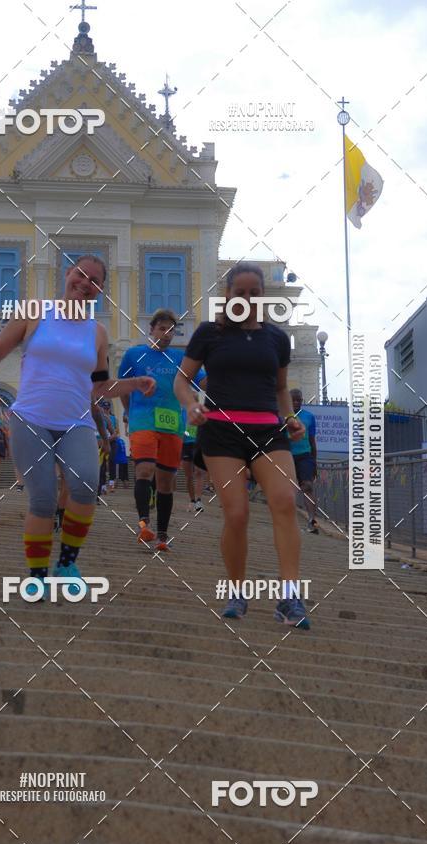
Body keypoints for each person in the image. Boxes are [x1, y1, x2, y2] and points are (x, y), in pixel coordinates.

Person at [0, 255, 155, 600]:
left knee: (85, 486)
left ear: (100, 291)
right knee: (43, 498)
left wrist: (134, 383)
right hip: (30, 419)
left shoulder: (97, 332)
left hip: (76, 422)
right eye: (81, 274)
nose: (85, 283)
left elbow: (98, 387)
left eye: (95, 281)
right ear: (68, 274)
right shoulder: (36, 311)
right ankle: (37, 576)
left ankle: (66, 564)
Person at [174, 262, 310, 628]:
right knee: (236, 513)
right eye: (241, 292)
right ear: (228, 295)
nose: (248, 299)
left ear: (263, 297)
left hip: (268, 430)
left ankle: (290, 598)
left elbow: (281, 388)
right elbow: (182, 381)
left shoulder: (277, 339)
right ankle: (237, 591)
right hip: (221, 431)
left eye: (255, 293)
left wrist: (289, 418)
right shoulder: (209, 333)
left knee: (284, 501)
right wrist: (191, 405)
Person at [118, 309, 205, 552]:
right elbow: (123, 387)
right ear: (151, 329)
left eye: (171, 330)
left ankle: (163, 536)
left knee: (166, 482)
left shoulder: (180, 357)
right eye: (162, 329)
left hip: (172, 425)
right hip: (142, 421)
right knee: (145, 469)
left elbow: (203, 381)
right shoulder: (134, 354)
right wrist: (130, 412)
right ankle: (144, 523)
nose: (167, 335)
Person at [289, 388, 319, 533]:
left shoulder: (309, 417)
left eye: (299, 400)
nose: (296, 402)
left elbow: (312, 441)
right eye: (293, 399)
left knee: (307, 486)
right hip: (286, 456)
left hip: (305, 456)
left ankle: (312, 522)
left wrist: (314, 463)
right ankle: (287, 523)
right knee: (287, 490)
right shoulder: (281, 416)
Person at [182, 421, 206, 512]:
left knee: (199, 472)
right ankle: (192, 500)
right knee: (189, 476)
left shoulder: (202, 408)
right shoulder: (182, 409)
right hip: (185, 443)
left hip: (199, 442)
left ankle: (199, 500)